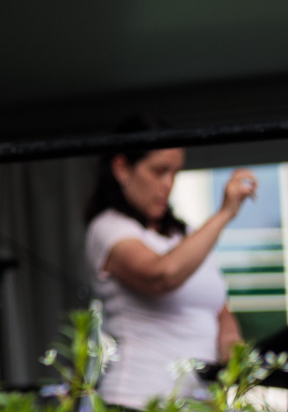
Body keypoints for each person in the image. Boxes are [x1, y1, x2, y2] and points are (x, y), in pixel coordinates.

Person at [84, 126, 256, 407]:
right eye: (159, 171)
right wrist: (225, 213)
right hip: (137, 400)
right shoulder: (108, 227)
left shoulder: (185, 234)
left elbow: (219, 308)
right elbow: (161, 275)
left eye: (175, 173)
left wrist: (231, 341)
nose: (169, 184)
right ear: (122, 168)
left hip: (197, 401)